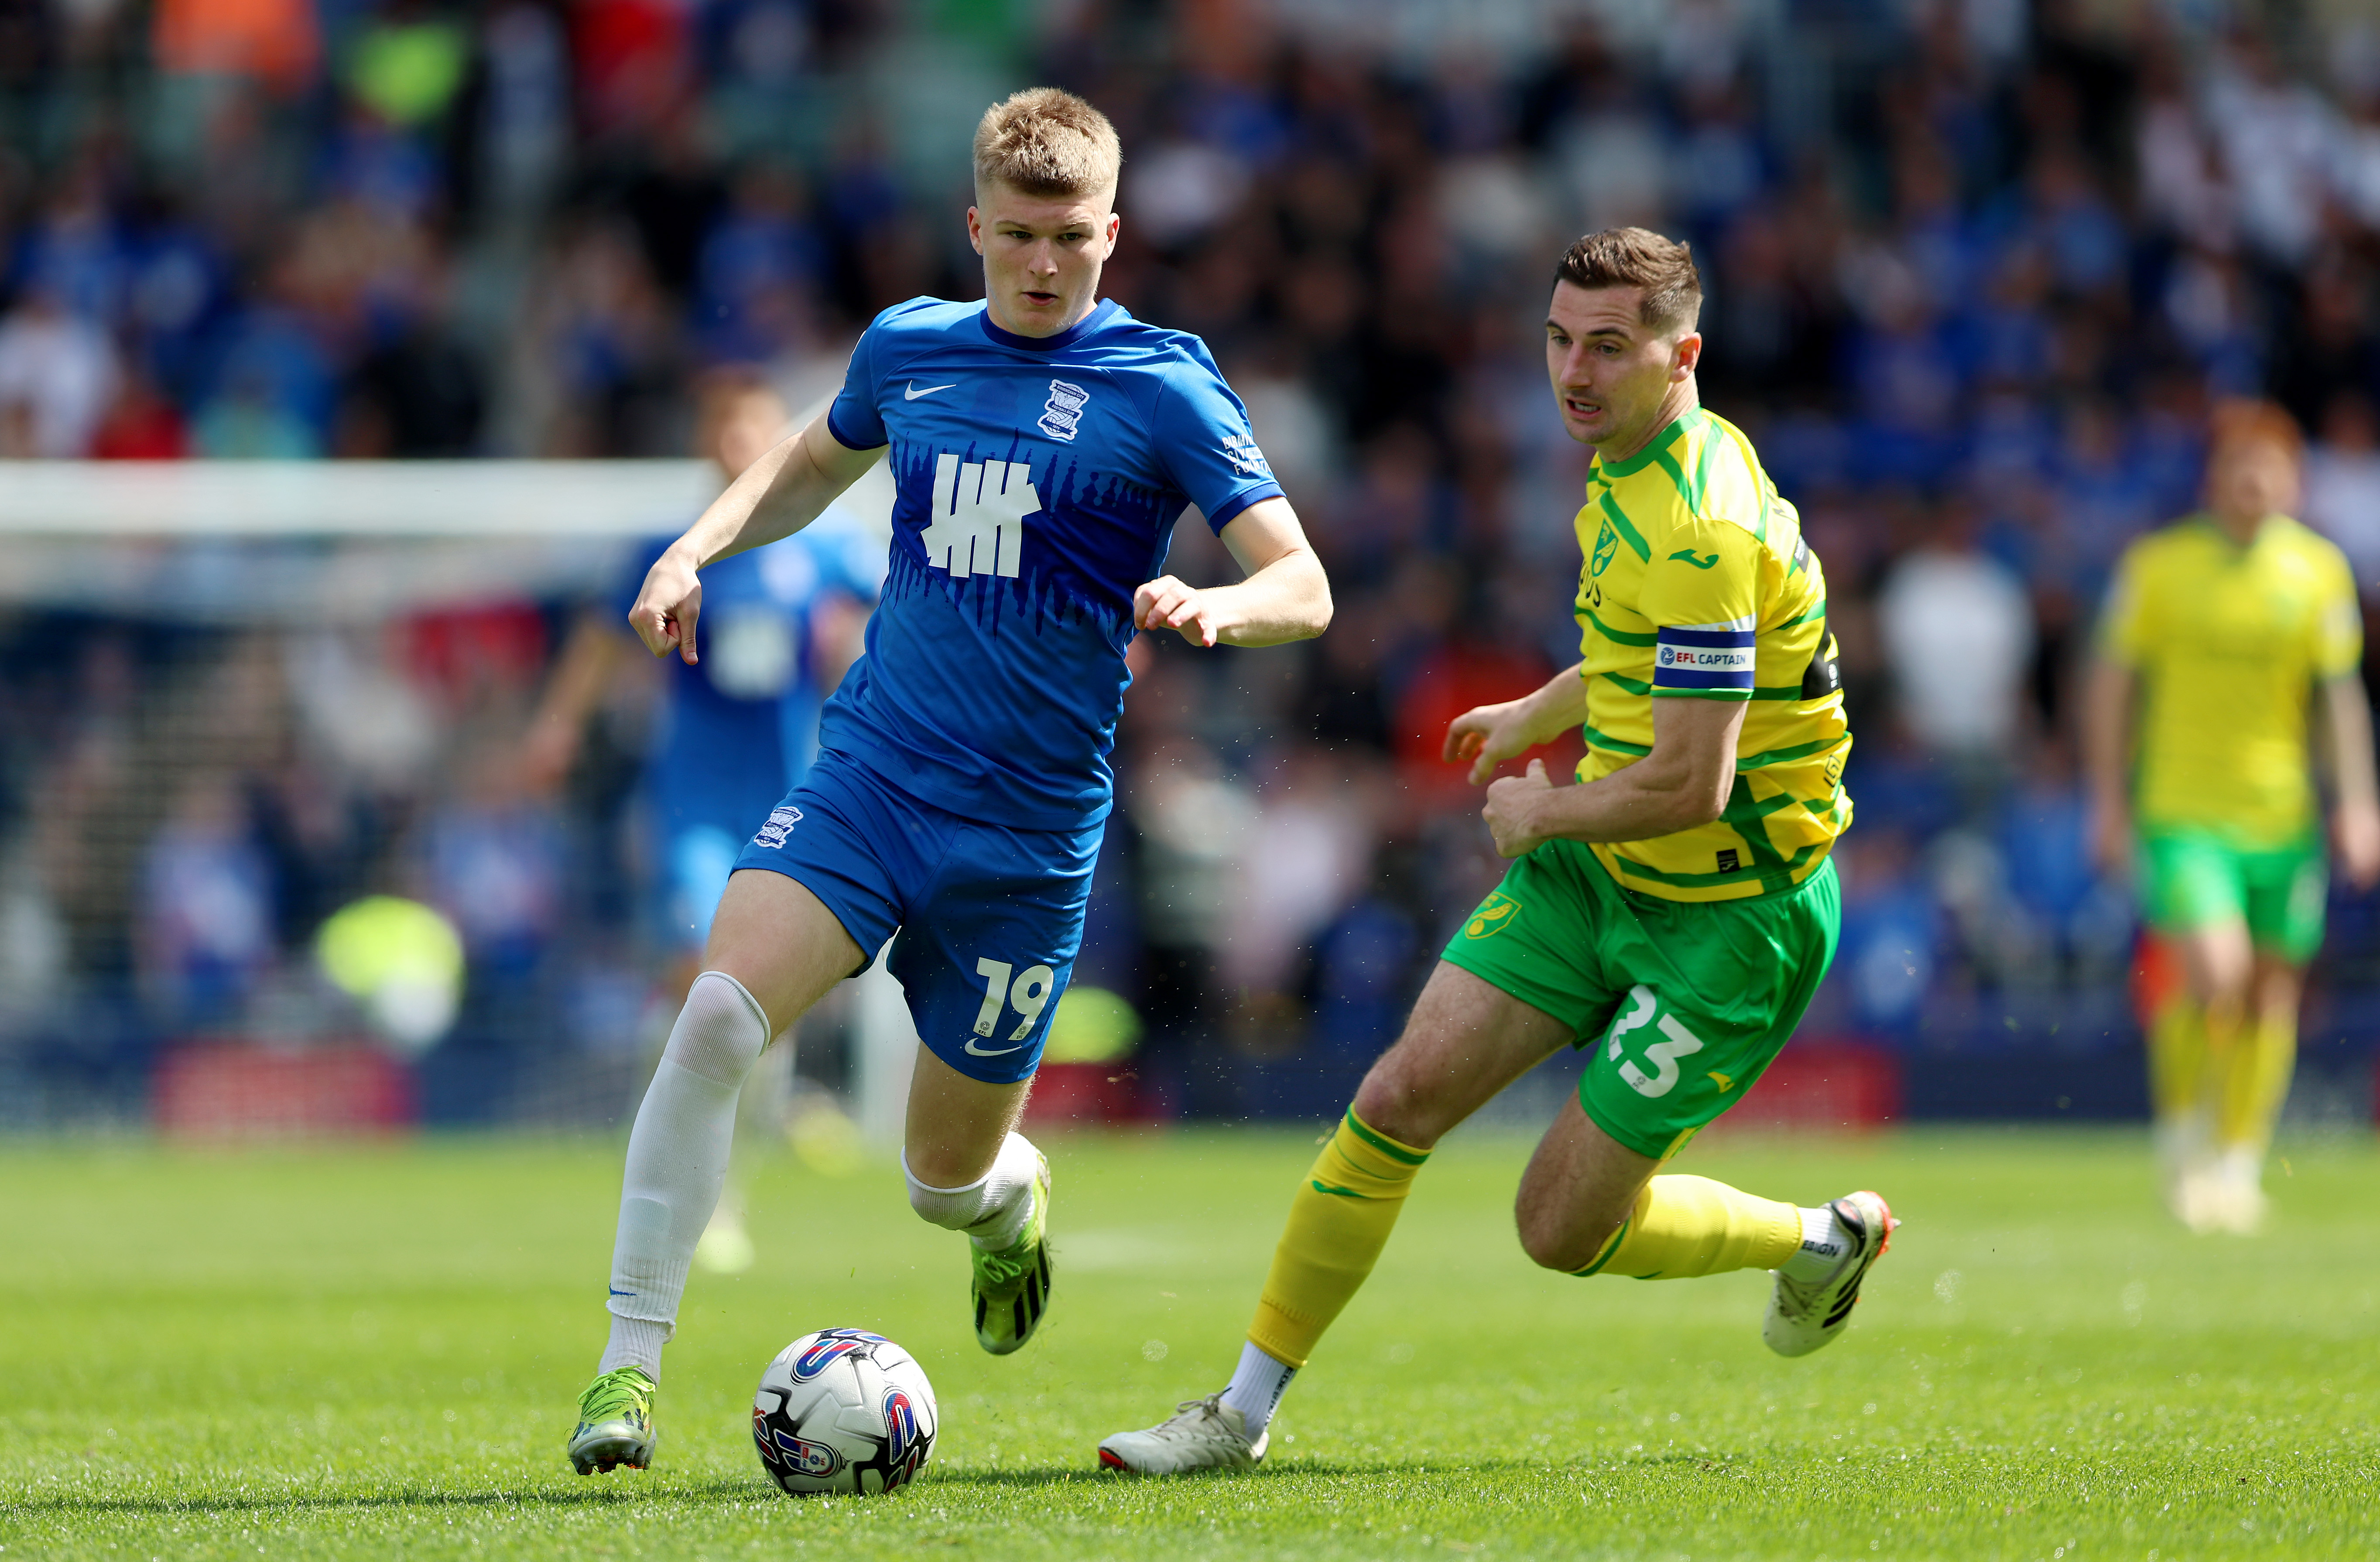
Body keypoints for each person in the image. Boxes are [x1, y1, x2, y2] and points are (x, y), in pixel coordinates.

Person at [567, 87, 1333, 1475]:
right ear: (975, 225)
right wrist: (692, 551)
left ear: (1113, 233)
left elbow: (1305, 580)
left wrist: (1223, 605)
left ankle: (1006, 1206)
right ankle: (628, 1368)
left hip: (1029, 836)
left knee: (941, 1178)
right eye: (1019, 235)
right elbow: (808, 465)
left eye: (1072, 238)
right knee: (719, 1013)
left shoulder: (1163, 382)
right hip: (874, 772)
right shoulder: (909, 347)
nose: (1044, 263)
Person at [1098, 227, 1890, 1477]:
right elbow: (1651, 656)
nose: (1573, 372)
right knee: (1396, 1099)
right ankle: (1237, 1413)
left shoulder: (1704, 523)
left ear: (1683, 356)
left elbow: (1694, 780)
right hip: (1603, 871)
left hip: (1732, 917)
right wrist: (1544, 707)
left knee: (1556, 1228)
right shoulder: (1638, 460)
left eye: (1609, 347)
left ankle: (1818, 1242)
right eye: (1560, 340)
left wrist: (1540, 812)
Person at [524, 366, 879, 1273]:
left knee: (762, 1007)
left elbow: (896, 613)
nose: (735, 445)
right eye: (722, 429)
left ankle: (722, 1194)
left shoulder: (824, 550)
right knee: (703, 983)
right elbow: (601, 637)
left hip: (791, 802)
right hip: (693, 804)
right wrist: (559, 725)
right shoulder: (676, 549)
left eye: (751, 428)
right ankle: (663, 1169)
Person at [2083, 400, 2380, 1235]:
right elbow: (2112, 684)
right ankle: (2185, 1139)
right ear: (2212, 477)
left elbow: (2338, 699)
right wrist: (2108, 798)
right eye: (2238, 466)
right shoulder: (2159, 567)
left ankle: (2238, 1163)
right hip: (2183, 812)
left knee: (2272, 994)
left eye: (2269, 467)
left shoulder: (2318, 572)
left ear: (2295, 480)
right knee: (2216, 973)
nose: (2253, 482)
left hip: (2285, 818)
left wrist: (2358, 802)